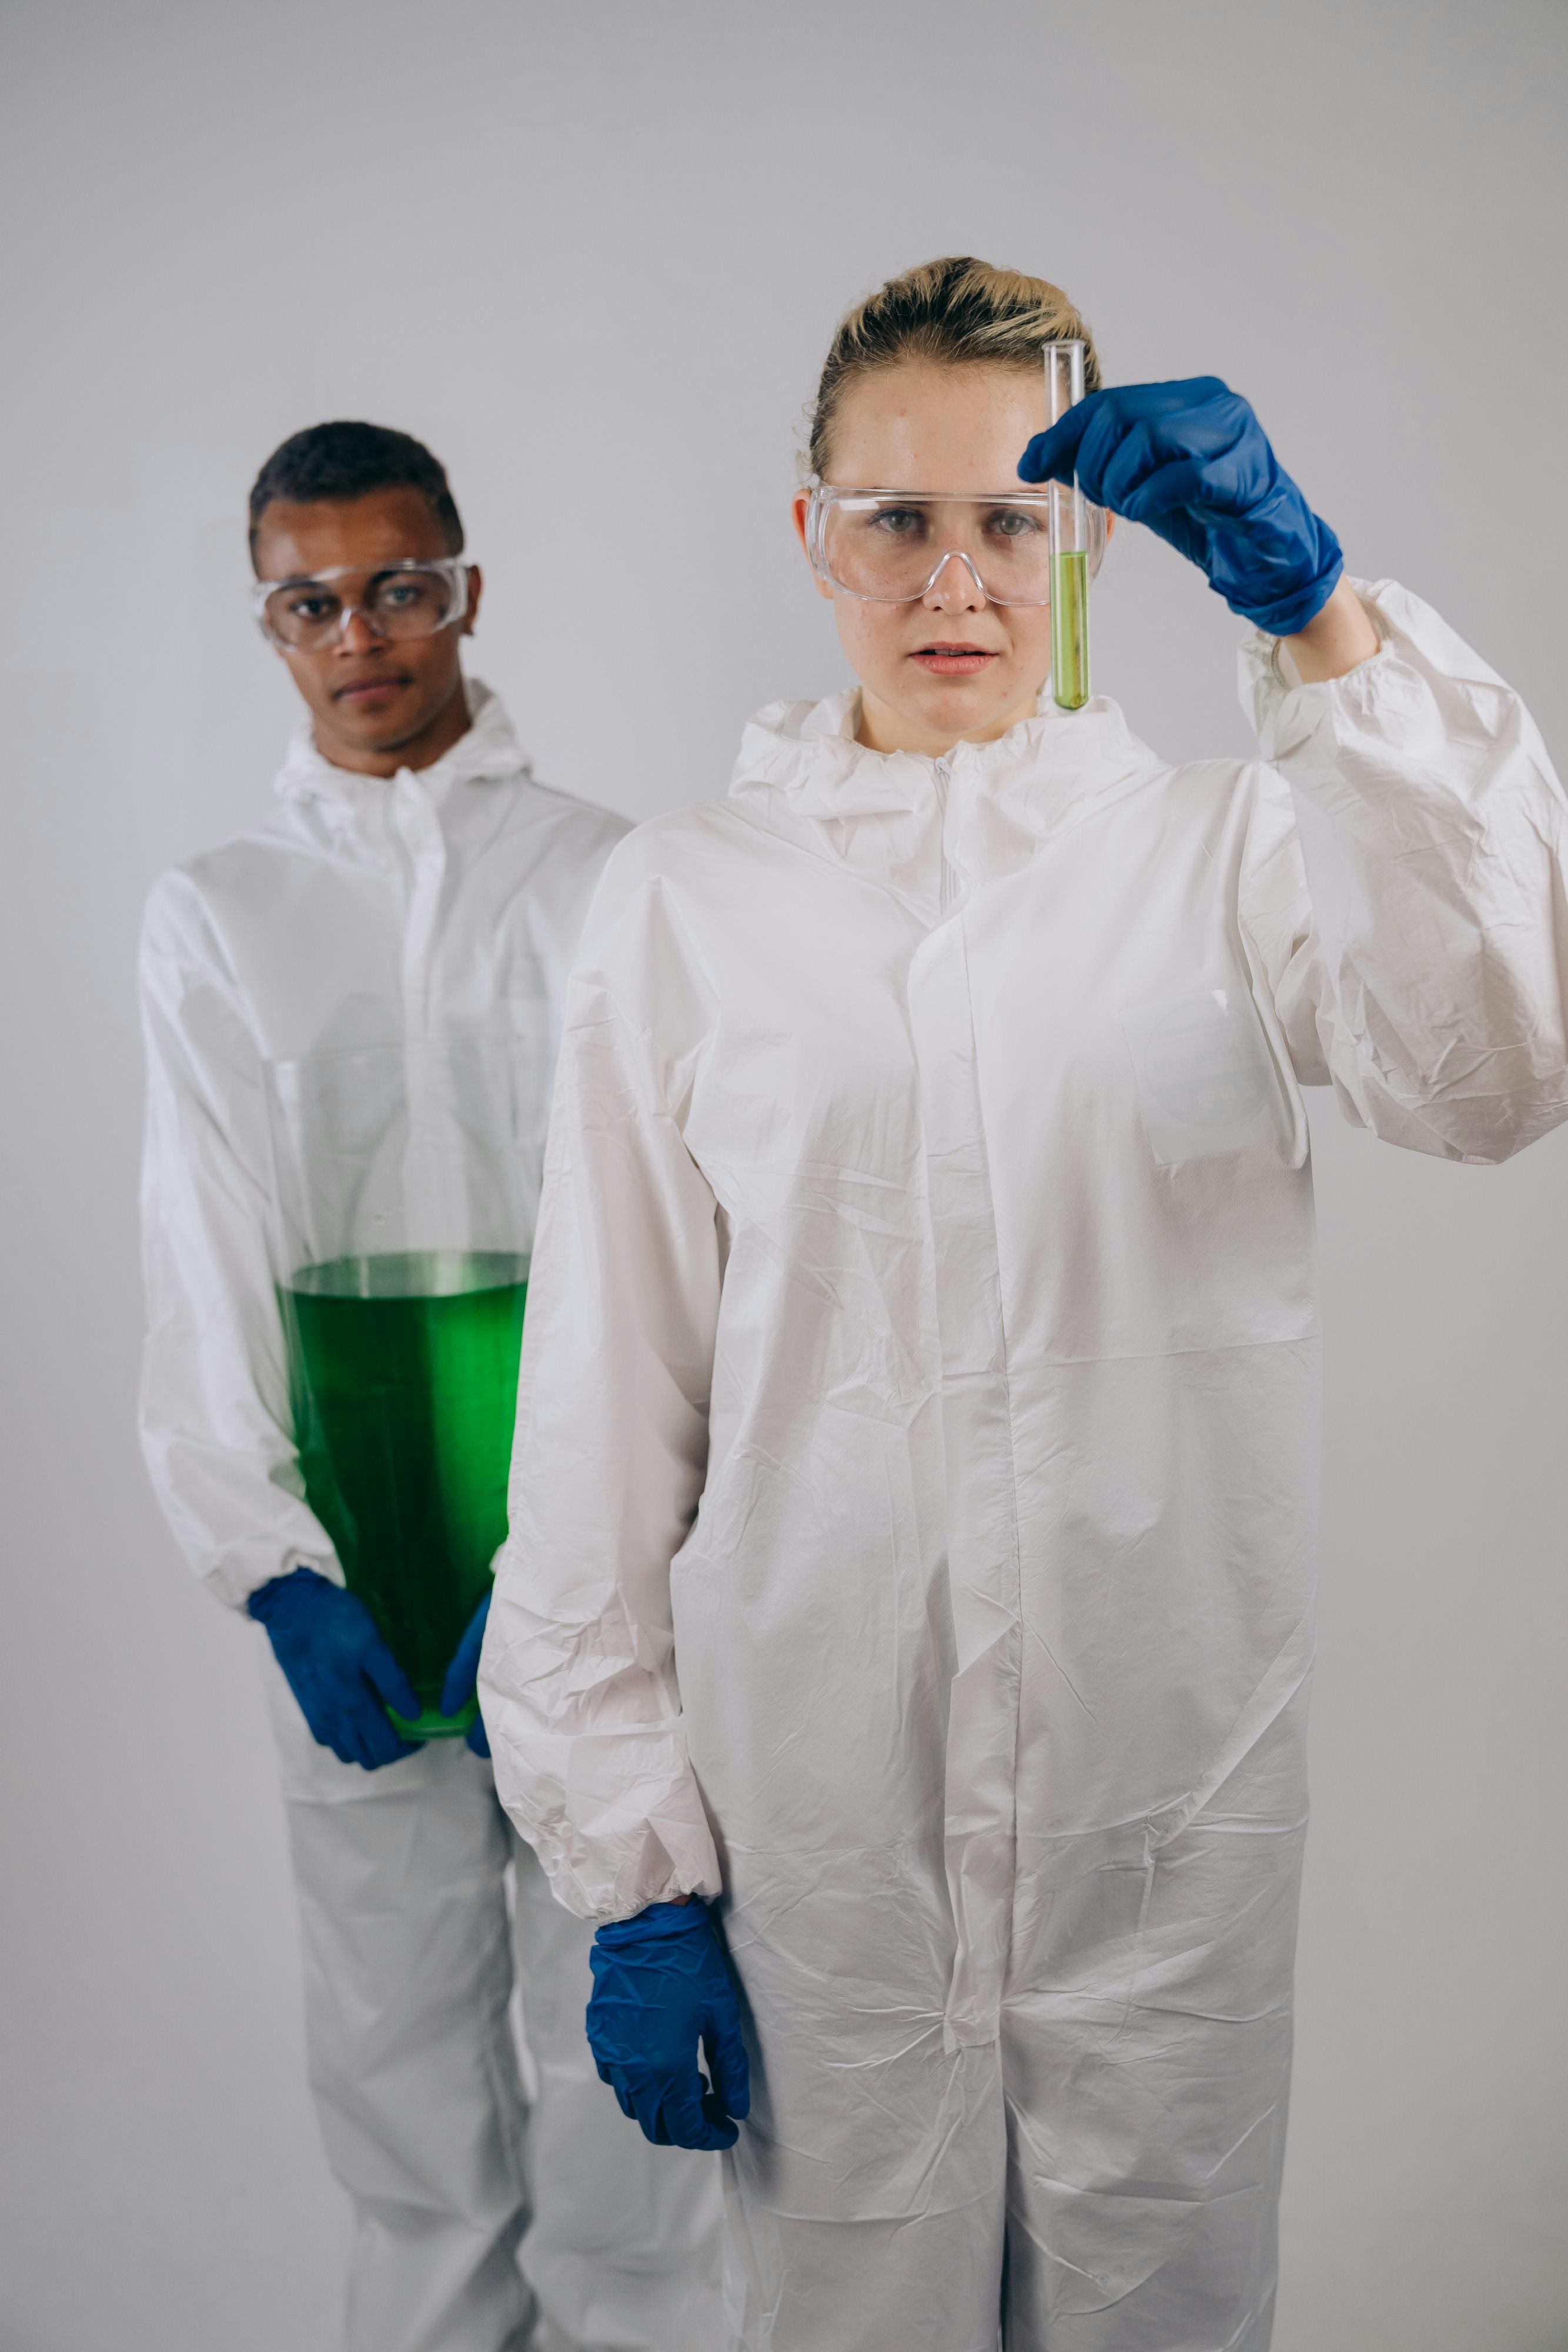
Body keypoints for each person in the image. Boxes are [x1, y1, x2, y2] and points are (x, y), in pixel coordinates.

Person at [478, 258, 1568, 2352]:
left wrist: (1319, 619)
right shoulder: (688, 905)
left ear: (1084, 539)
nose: (953, 577)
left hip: (1161, 1861)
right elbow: (602, 1419)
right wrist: (627, 1867)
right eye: (897, 519)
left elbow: (1498, 1063)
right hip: (822, 1874)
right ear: (812, 537)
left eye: (1011, 518)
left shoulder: (1225, 856)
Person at [138, 420, 727, 2352]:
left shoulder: (611, 878)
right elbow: (202, 1244)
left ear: (463, 590)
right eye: (308, 601)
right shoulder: (219, 913)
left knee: (628, 2128)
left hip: (594, 1576)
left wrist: (611, 1560)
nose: (360, 635)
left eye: (398, 587)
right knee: (401, 2096)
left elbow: (684, 1244)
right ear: (269, 627)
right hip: (358, 1576)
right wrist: (271, 1570)